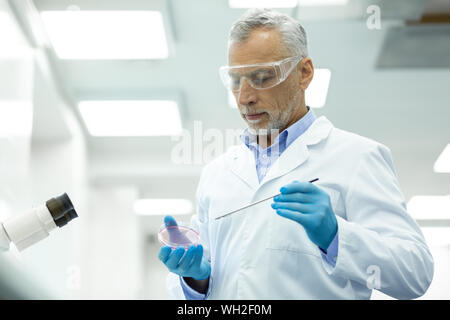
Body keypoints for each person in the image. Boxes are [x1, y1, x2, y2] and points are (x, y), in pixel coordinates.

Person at [158, 8, 434, 299]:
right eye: (236, 80)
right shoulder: (217, 173)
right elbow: (213, 280)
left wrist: (336, 236)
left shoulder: (357, 157)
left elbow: (415, 272)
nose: (245, 97)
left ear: (304, 73)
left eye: (262, 77)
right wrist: (195, 277)